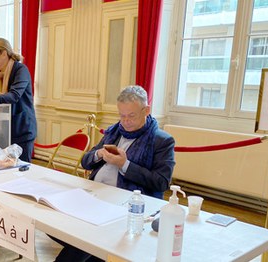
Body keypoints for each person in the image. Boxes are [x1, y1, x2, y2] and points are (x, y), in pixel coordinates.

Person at [52, 85, 176, 262]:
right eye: (122, 115)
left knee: (81, 243)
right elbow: (85, 161)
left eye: (131, 115)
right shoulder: (113, 132)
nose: (125, 121)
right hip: (97, 197)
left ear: (146, 110)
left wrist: (124, 165)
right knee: (60, 224)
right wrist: (98, 154)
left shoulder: (161, 140)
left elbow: (161, 182)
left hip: (128, 208)